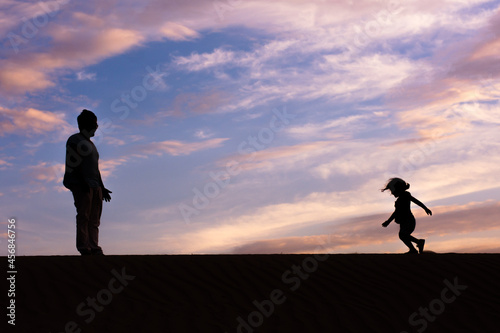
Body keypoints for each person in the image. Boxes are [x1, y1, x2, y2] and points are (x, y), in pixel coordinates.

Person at [63, 109, 112, 255]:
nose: (97, 126)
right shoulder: (75, 140)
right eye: (95, 123)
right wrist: (81, 181)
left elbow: (95, 169)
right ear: (88, 124)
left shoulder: (91, 145)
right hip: (81, 184)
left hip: (94, 185)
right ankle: (84, 247)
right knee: (84, 215)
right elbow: (73, 162)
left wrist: (102, 187)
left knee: (94, 218)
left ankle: (94, 246)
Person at [381, 178, 432, 254]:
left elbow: (416, 201)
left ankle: (418, 244)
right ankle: (414, 248)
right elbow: (396, 212)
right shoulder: (400, 199)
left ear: (398, 188)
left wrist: (425, 208)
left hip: (408, 220)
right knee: (402, 235)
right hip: (403, 221)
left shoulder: (405, 195)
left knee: (403, 235)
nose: (392, 193)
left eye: (392, 190)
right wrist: (388, 221)